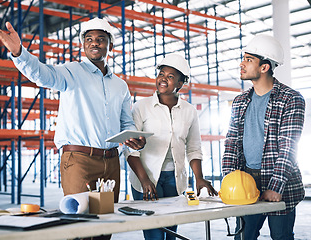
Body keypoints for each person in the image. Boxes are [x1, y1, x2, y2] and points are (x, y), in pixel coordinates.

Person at [0, 17, 145, 234]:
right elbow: (42, 75)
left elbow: (126, 124)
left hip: (111, 162)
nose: (94, 43)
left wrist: (136, 140)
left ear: (110, 44)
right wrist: (19, 53)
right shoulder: (71, 72)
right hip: (79, 161)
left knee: (106, 225)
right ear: (83, 45)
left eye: (100, 39)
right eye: (89, 39)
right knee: (79, 225)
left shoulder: (120, 86)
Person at [126, 53, 218, 240]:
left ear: (180, 84)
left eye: (170, 76)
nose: (163, 79)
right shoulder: (141, 107)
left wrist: (199, 178)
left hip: (175, 180)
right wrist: (144, 181)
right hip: (146, 177)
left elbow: (193, 148)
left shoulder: (189, 111)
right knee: (154, 234)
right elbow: (130, 149)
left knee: (171, 233)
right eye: (161, 74)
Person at [222, 34, 305, 240]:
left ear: (264, 67)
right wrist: (229, 180)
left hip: (281, 182)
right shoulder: (240, 101)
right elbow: (232, 142)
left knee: (281, 236)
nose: (242, 64)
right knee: (243, 237)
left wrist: (275, 187)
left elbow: (289, 147)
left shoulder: (291, 99)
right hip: (246, 181)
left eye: (248, 60)